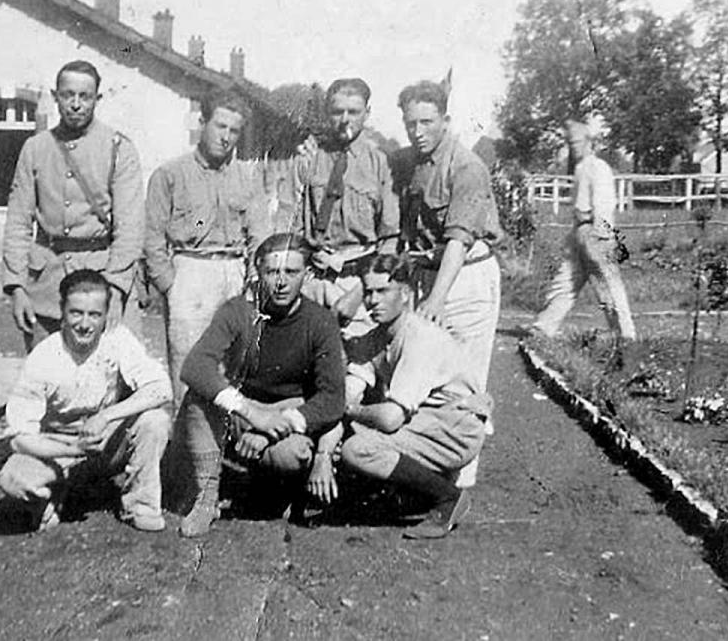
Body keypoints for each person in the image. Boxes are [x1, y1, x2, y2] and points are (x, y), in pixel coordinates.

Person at [177, 233, 345, 537]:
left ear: (307, 275)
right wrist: (253, 414)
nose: (281, 282)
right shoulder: (238, 311)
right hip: (246, 409)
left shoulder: (320, 321)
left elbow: (332, 398)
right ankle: (206, 498)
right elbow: (195, 366)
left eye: (292, 272)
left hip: (287, 413)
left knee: (291, 455)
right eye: (272, 272)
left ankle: (279, 491)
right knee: (199, 397)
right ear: (258, 271)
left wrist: (270, 429)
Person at [0, 269, 171, 532]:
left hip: (106, 440)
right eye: (76, 313)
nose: (85, 324)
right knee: (12, 479)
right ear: (61, 311)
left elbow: (161, 389)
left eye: (94, 315)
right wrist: (75, 449)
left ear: (105, 316)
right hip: (59, 447)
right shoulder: (43, 357)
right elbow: (20, 437)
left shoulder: (118, 339)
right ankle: (56, 494)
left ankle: (140, 505)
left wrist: (105, 416)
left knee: (155, 420)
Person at [394, 81, 502, 487]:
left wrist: (436, 299)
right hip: (429, 274)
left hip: (465, 276)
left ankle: (460, 485)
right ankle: (429, 475)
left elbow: (458, 239)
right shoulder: (413, 161)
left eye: (427, 122)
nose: (418, 131)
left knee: (464, 381)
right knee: (428, 377)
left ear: (446, 121)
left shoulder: (467, 166)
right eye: (410, 124)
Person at [339, 253, 490, 539]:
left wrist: (349, 410)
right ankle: (408, 494)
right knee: (351, 431)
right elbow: (353, 385)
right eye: (368, 292)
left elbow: (389, 419)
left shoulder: (419, 336)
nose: (373, 301)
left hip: (455, 428)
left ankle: (448, 498)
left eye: (383, 291)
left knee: (357, 449)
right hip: (427, 421)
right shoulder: (378, 336)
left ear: (406, 293)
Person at [143, 90, 270, 422]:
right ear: (202, 123)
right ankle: (185, 449)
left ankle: (228, 450)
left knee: (236, 364)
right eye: (220, 126)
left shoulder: (248, 177)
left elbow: (259, 233)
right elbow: (152, 236)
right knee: (189, 364)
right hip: (190, 273)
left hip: (236, 273)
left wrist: (254, 282)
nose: (226, 137)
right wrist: (169, 284)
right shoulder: (170, 174)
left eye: (234, 131)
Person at [2, 60, 144, 350]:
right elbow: (18, 222)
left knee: (114, 376)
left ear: (97, 99)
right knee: (48, 374)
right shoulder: (35, 148)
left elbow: (130, 229)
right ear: (56, 97)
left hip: (102, 279)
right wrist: (17, 286)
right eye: (68, 95)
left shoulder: (119, 149)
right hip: (47, 284)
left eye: (85, 96)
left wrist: (115, 290)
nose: (76, 104)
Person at [293, 77, 398, 327]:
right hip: (314, 278)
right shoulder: (310, 156)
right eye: (337, 112)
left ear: (367, 113)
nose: (345, 119)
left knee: (359, 362)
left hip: (359, 283)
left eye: (354, 112)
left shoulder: (380, 163)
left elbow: (390, 238)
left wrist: (360, 292)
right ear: (327, 113)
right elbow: (293, 225)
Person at [531, 119, 636, 341]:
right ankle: (543, 327)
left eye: (577, 142)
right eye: (570, 143)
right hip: (579, 231)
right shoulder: (579, 168)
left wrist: (600, 238)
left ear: (590, 142)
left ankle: (625, 336)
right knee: (566, 281)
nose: (573, 147)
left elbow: (604, 205)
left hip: (595, 231)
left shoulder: (599, 168)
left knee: (608, 286)